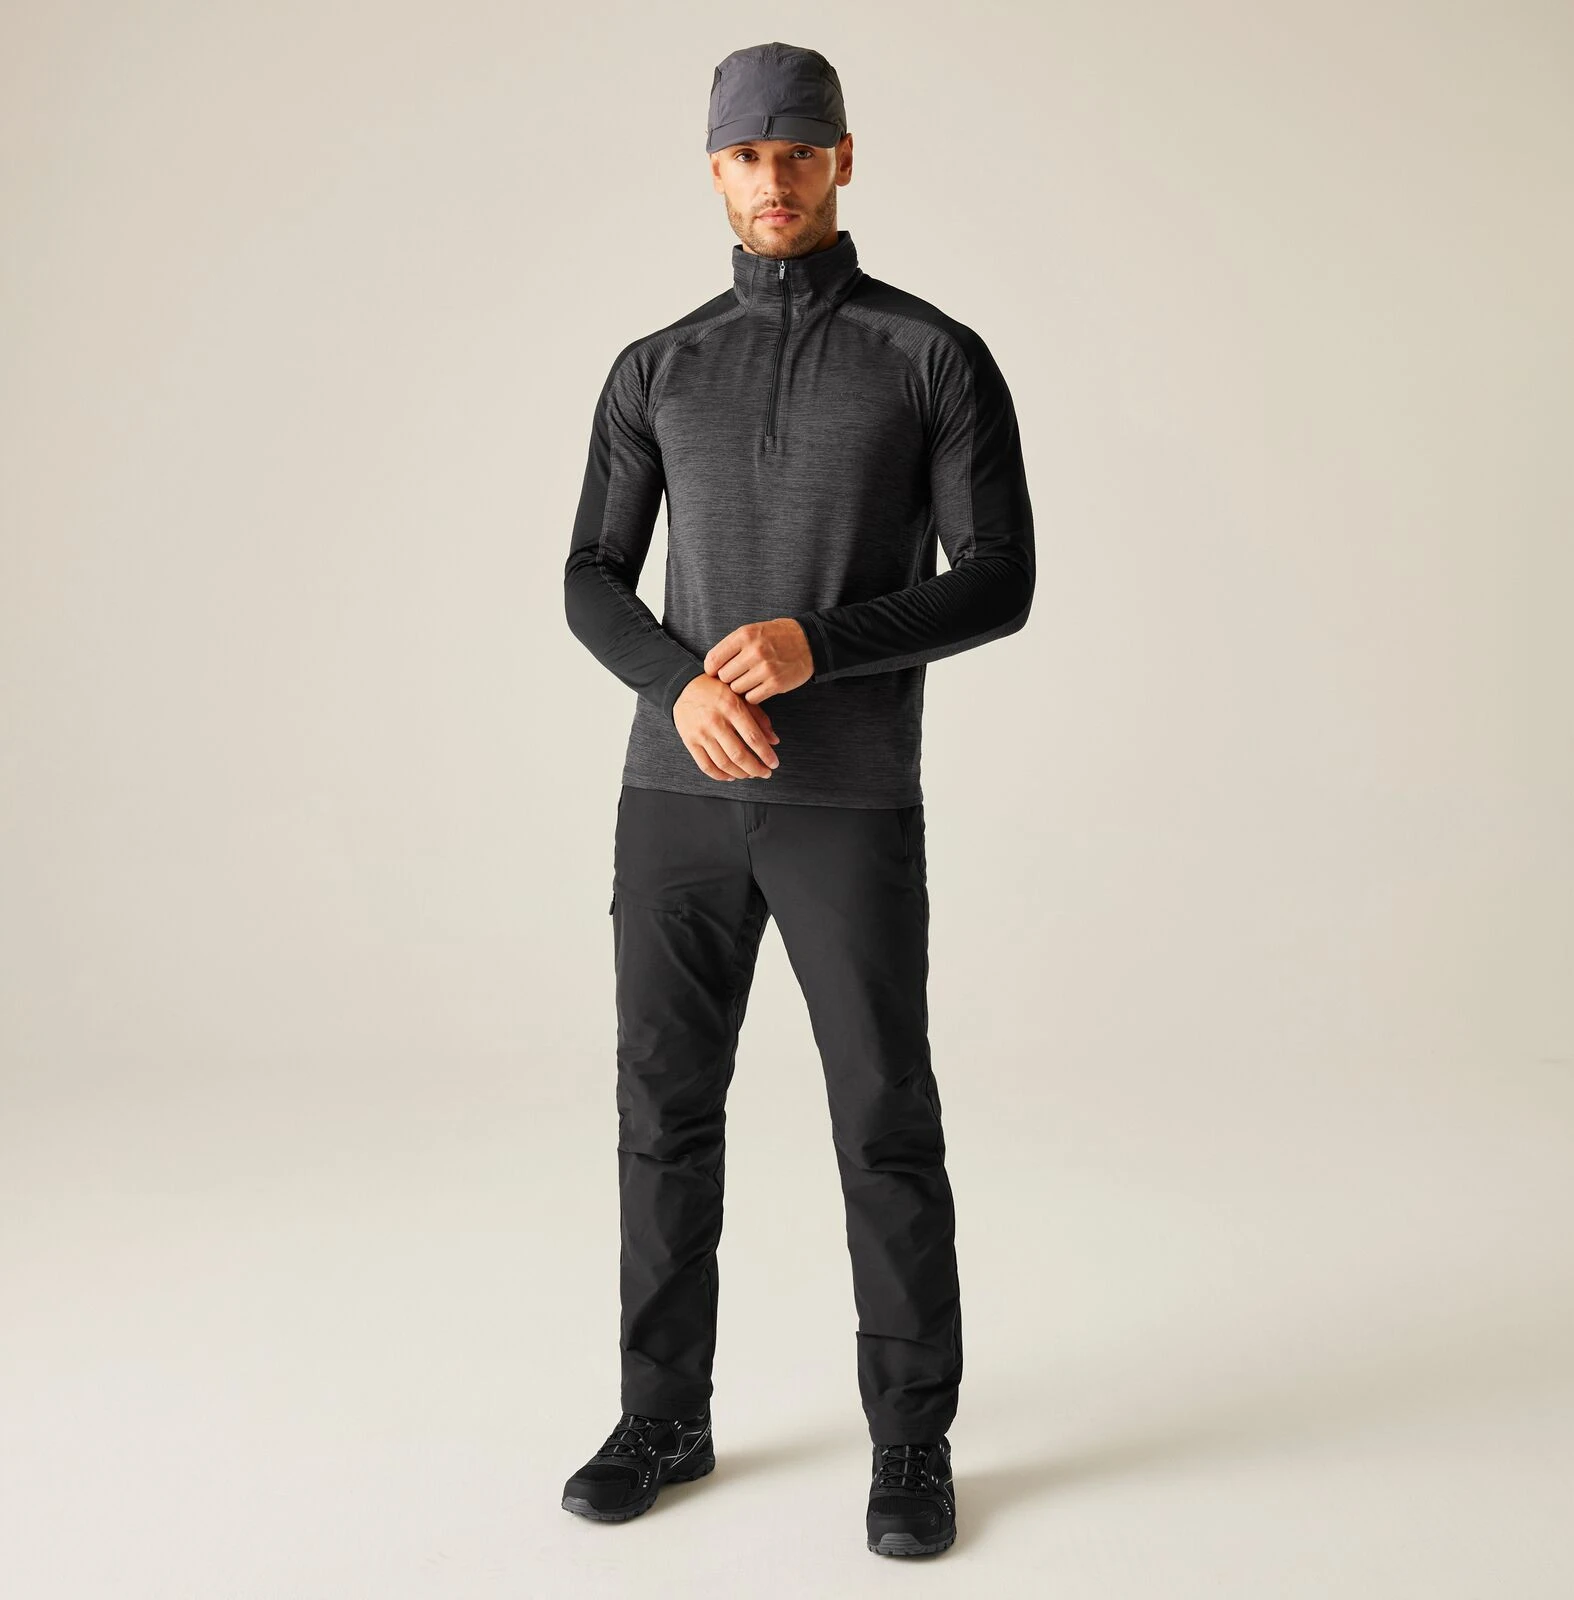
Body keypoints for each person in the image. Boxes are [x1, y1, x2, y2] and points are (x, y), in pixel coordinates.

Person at [558, 40, 1034, 1558]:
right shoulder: (657, 367)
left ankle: (911, 1441)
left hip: (847, 802)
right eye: (747, 155)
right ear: (714, 170)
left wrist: (819, 643)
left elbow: (1001, 580)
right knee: (661, 1113)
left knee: (883, 1114)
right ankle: (663, 1416)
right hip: (675, 794)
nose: (774, 179)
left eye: (799, 150)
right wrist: (676, 685)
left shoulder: (930, 356)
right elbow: (591, 574)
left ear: (843, 158)